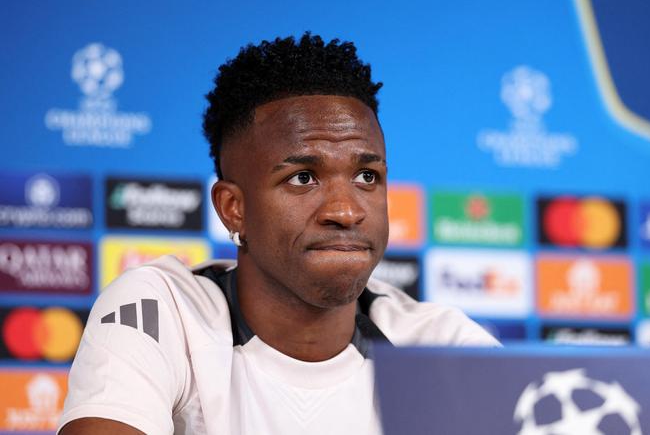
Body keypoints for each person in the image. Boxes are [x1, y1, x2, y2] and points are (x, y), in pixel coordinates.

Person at [58, 33, 499, 435]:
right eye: (303, 178)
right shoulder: (163, 310)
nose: (346, 211)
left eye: (367, 176)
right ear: (234, 208)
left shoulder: (443, 346)